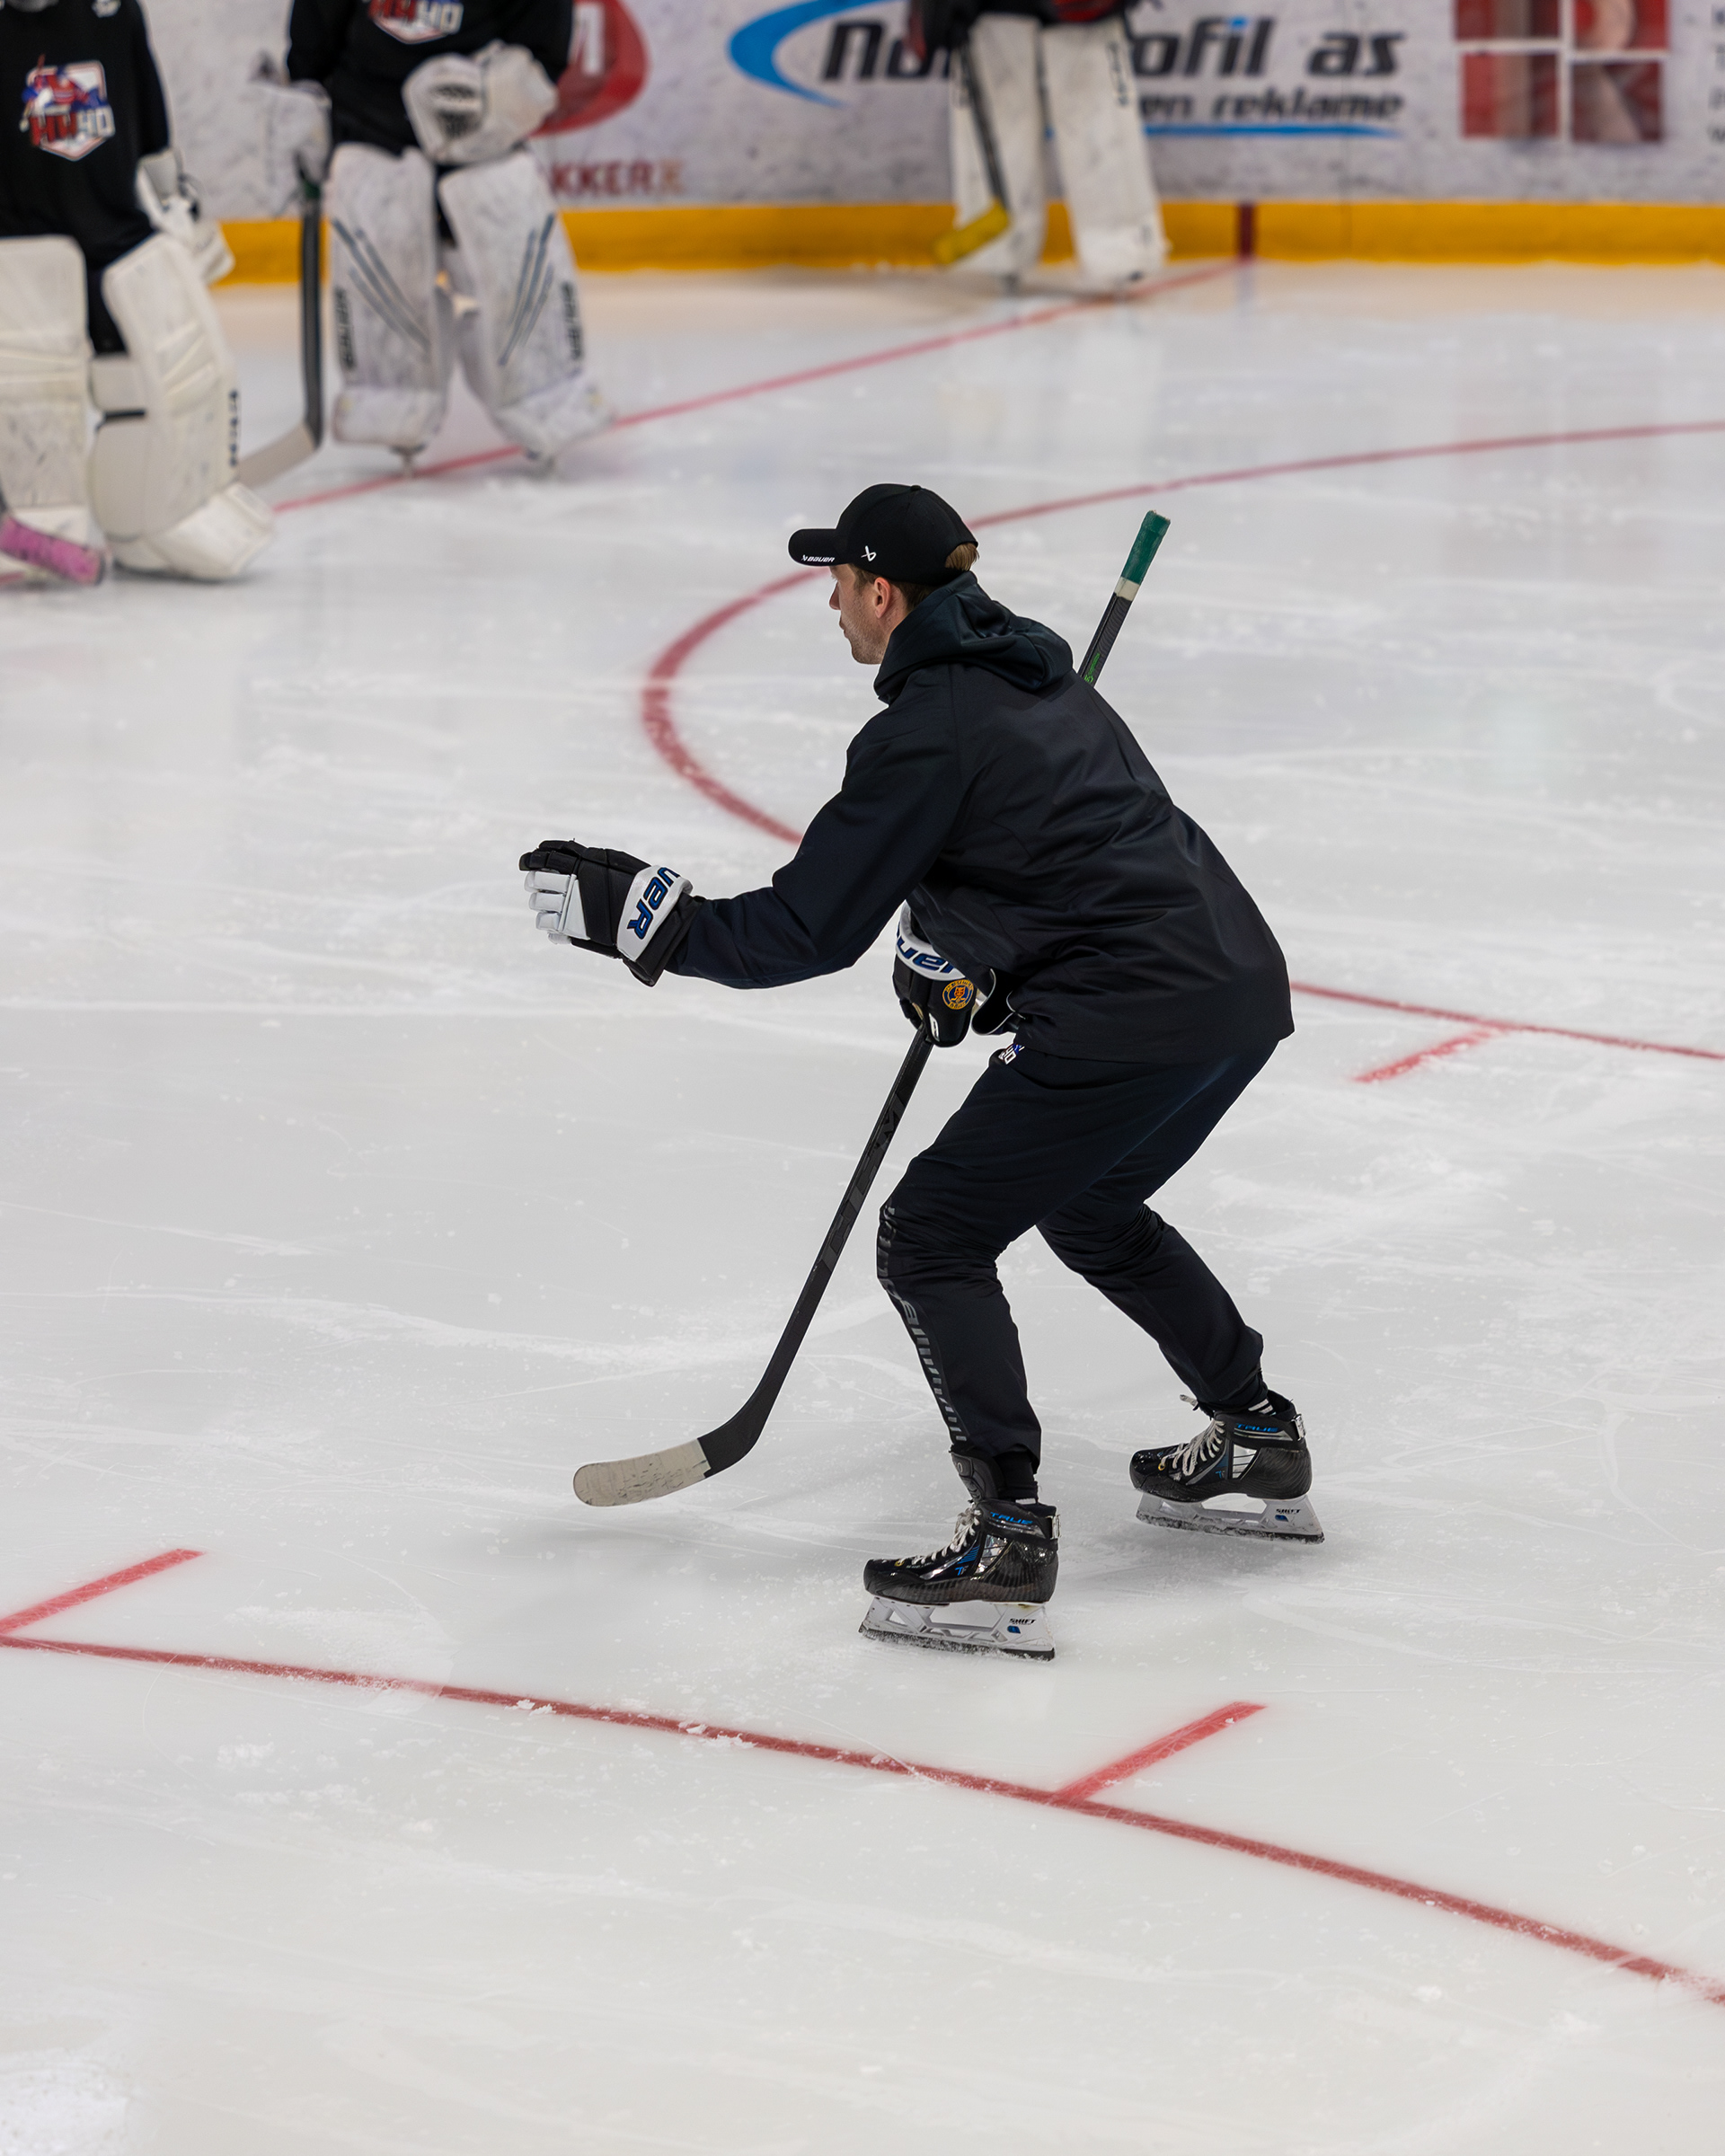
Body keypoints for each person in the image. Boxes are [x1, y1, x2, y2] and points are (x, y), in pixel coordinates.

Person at [520, 484, 1319, 1659]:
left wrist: (650, 924)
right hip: (1233, 989)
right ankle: (1254, 1432)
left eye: (839, 584)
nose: (832, 606)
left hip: (1130, 1013)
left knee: (931, 1235)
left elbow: (806, 930)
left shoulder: (925, 729)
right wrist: (962, 949)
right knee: (1091, 1207)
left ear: (884, 593)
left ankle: (1008, 1535)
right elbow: (1067, 855)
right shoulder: (1039, 677)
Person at [0, 0, 272, 584]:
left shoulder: (114, 9)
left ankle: (160, 517)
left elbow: (149, 126)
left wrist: (176, 206)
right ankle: (40, 521)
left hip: (121, 239)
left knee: (179, 379)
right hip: (20, 256)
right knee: (35, 398)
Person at [277, 0, 605, 464]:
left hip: (477, 133)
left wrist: (503, 97)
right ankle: (395, 402)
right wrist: (305, 102)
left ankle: (543, 394)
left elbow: (543, 51)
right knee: (381, 262)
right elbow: (314, 37)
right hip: (370, 128)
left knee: (513, 244)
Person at [913, 0, 1166, 292]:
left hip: (1078, 15)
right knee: (1006, 115)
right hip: (995, 13)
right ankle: (1005, 251)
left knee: (1098, 118)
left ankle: (1120, 246)